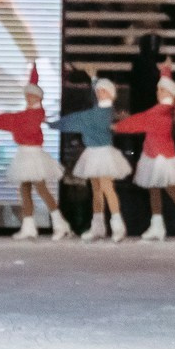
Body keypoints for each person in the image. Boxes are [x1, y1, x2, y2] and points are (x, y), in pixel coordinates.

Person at [0, 68, 63, 240]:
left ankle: (59, 223)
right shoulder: (27, 115)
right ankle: (29, 226)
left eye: (32, 96)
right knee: (25, 189)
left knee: (41, 189)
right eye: (27, 95)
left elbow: (10, 120)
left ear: (38, 98)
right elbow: (5, 120)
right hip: (24, 154)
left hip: (34, 155)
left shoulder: (34, 114)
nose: (28, 98)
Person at [114, 69, 175, 241]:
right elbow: (142, 118)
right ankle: (157, 224)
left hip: (161, 156)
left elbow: (141, 121)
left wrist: (120, 125)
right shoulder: (164, 109)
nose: (158, 92)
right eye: (158, 90)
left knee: (171, 189)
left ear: (169, 93)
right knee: (155, 189)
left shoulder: (161, 110)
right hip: (153, 154)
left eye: (161, 90)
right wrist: (165, 72)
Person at [57, 76, 132, 241]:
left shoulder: (106, 111)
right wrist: (93, 82)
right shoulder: (96, 110)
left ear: (111, 94)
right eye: (98, 92)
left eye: (103, 91)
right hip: (92, 153)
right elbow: (91, 108)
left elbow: (94, 116)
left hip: (104, 153)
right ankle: (98, 226)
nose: (100, 94)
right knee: (96, 190)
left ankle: (118, 225)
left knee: (106, 187)